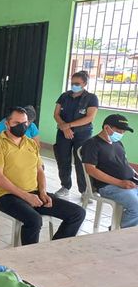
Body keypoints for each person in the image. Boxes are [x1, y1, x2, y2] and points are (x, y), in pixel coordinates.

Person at [0, 107, 86, 245]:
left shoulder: (31, 143)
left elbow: (40, 171)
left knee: (77, 213)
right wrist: (26, 196)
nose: (22, 126)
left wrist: (43, 192)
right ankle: (29, 255)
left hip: (35, 193)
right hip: (8, 196)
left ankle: (54, 249)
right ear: (7, 124)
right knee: (34, 220)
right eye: (16, 123)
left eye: (24, 123)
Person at [81, 114, 138, 228]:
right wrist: (120, 183)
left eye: (123, 132)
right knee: (136, 207)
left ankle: (123, 228)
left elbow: (123, 163)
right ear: (107, 128)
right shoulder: (92, 144)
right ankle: (120, 231)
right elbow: (90, 169)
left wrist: (134, 173)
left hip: (129, 182)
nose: (121, 134)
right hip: (109, 186)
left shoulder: (118, 143)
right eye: (119, 131)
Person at [53, 70, 99, 200]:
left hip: (82, 134)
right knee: (63, 159)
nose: (74, 85)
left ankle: (85, 190)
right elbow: (56, 114)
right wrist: (64, 126)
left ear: (84, 84)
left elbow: (89, 118)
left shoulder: (91, 98)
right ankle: (65, 186)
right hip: (63, 133)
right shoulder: (64, 96)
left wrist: (68, 126)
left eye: (77, 83)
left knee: (81, 161)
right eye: (72, 83)